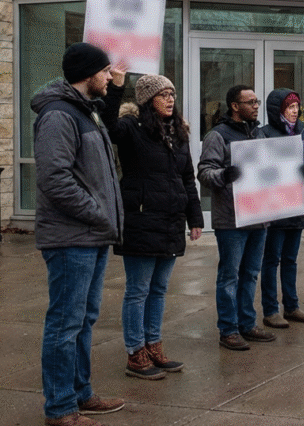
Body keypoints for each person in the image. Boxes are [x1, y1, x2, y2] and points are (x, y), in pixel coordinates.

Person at [31, 42, 126, 426]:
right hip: (72, 238)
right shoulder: (58, 115)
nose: (109, 76)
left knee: (83, 320)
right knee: (65, 324)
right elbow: (55, 179)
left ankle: (81, 393)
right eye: (105, 71)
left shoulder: (86, 111)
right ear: (88, 74)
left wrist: (101, 221)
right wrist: (97, 214)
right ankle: (60, 408)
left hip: (91, 235)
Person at [102, 72, 204, 380]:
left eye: (172, 94)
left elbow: (187, 178)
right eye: (163, 95)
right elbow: (107, 126)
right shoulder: (131, 128)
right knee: (138, 290)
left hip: (170, 222)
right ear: (148, 100)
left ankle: (153, 345)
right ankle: (136, 352)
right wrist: (116, 87)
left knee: (159, 289)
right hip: (142, 220)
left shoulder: (179, 132)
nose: (170, 100)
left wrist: (195, 218)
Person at [198, 85, 276, 351]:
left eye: (256, 102)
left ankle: (247, 323)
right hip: (231, 219)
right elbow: (205, 172)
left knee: (251, 274)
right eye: (250, 102)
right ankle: (228, 330)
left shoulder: (260, 133)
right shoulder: (218, 135)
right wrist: (224, 175)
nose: (256, 106)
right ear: (234, 106)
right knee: (230, 276)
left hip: (258, 215)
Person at [259, 89, 304, 328]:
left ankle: (292, 306)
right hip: (276, 206)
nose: (295, 111)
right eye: (290, 107)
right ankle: (271, 310)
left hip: (297, 204)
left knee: (291, 259)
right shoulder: (264, 133)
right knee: (272, 259)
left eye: (296, 107)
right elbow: (262, 169)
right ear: (278, 110)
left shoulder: (301, 132)